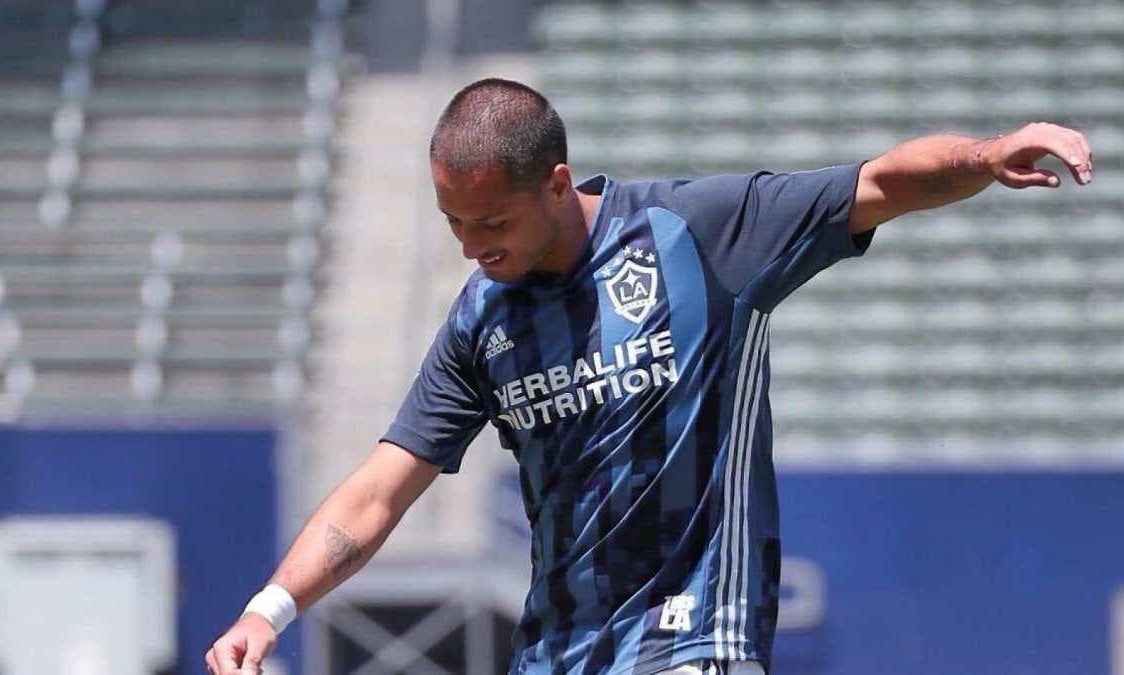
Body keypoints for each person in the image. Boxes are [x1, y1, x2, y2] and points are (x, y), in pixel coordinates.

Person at [205, 78, 1092, 675]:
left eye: (491, 221)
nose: (473, 246)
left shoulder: (700, 233)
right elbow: (377, 491)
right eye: (454, 224)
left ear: (556, 183)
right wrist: (269, 609)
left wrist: (983, 156)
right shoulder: (484, 317)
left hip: (697, 632)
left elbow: (875, 183)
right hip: (560, 649)